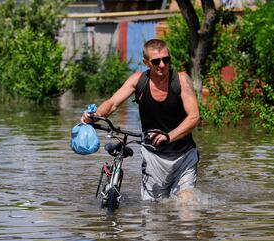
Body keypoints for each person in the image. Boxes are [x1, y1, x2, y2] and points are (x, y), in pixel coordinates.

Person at [81, 39, 200, 201]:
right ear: (146, 63)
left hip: (184, 157)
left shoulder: (181, 80)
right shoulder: (138, 81)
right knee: (154, 214)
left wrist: (169, 136)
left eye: (166, 59)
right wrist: (93, 117)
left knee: (187, 206)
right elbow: (112, 103)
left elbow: (194, 116)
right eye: (156, 61)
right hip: (153, 157)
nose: (162, 65)